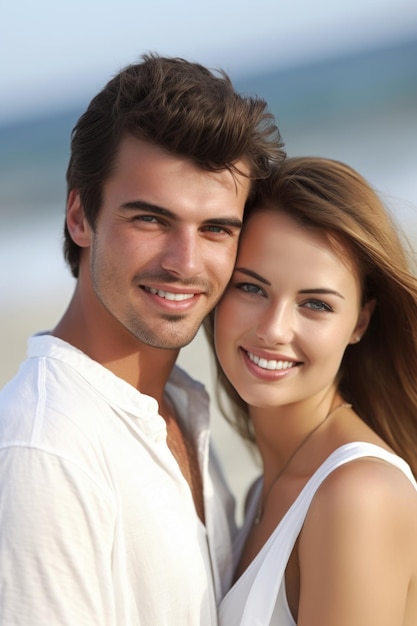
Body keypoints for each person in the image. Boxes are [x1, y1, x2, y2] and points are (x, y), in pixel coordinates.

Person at [0, 53, 285, 625]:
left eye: (215, 230)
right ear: (80, 216)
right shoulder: (45, 452)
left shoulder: (181, 403)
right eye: (150, 219)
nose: (185, 263)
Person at [206, 156, 417, 625]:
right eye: (252, 288)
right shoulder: (264, 489)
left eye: (315, 304)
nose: (274, 330)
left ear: (360, 321)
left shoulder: (357, 496)